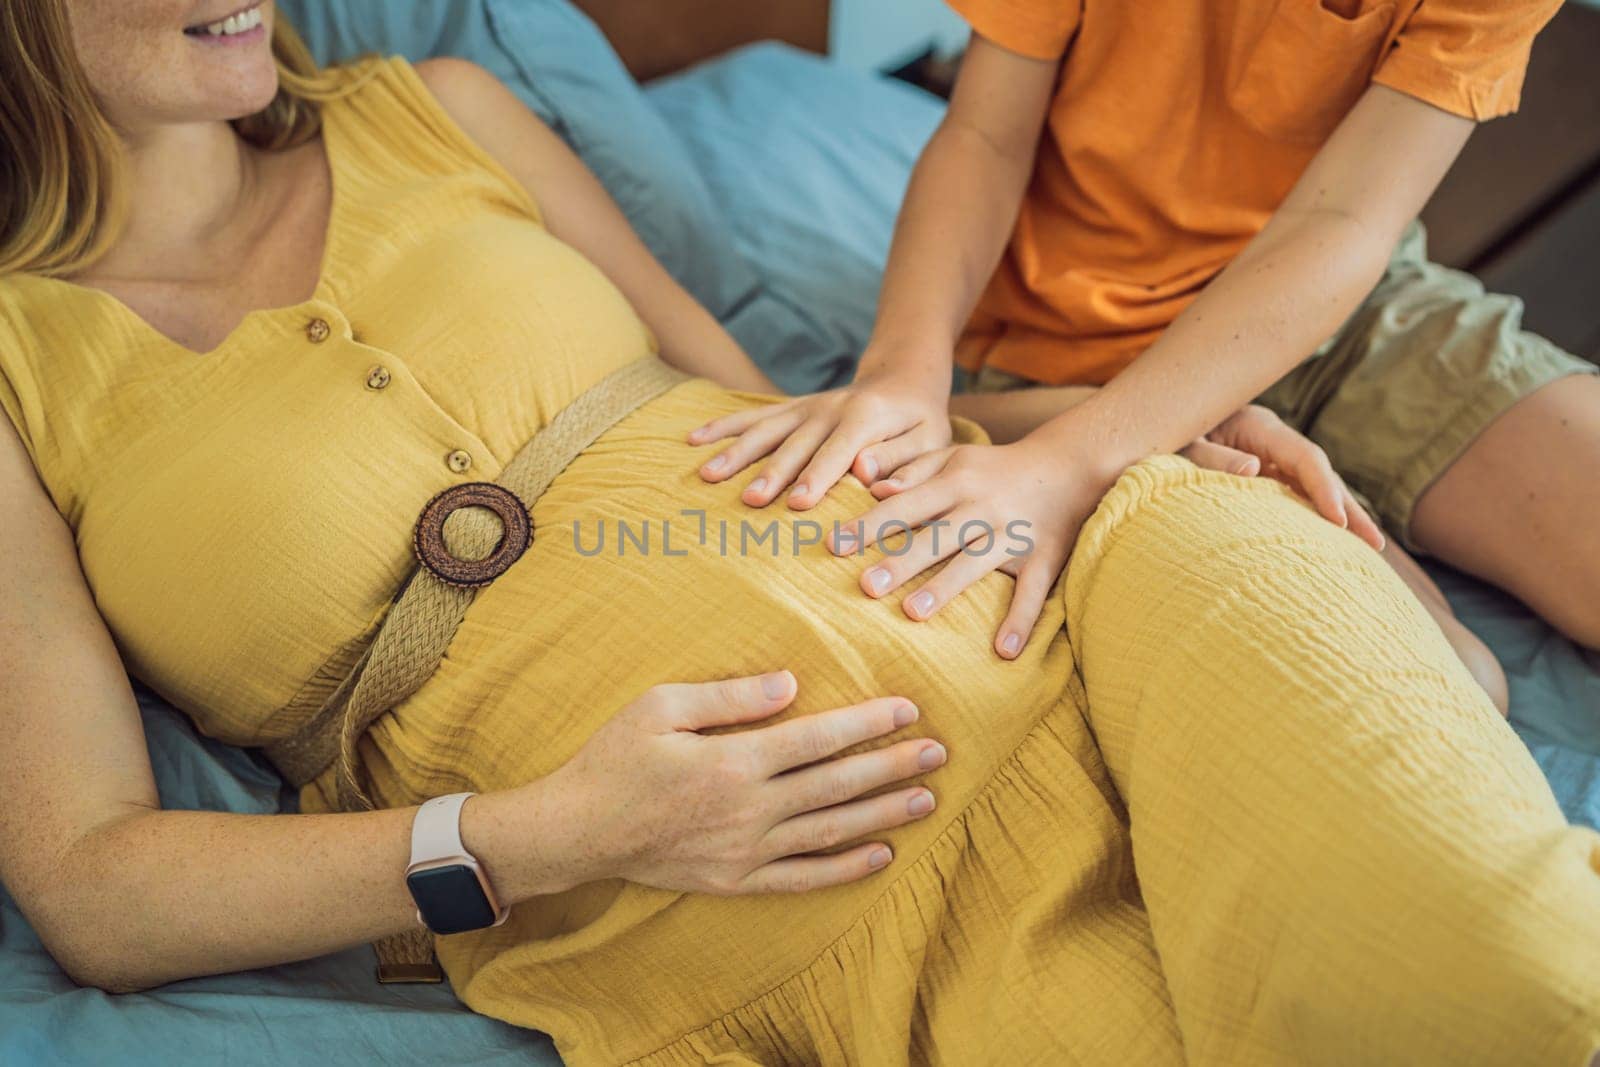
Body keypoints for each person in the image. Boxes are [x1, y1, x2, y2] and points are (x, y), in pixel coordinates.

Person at [1, 3, 1596, 1064]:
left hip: (1099, 584)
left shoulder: (444, 109)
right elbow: (93, 887)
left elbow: (769, 409)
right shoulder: (15, 374)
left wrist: (1113, 430)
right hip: (810, 892)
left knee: (1517, 987)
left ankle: (1407, 649)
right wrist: (549, 834)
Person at [695, 0, 1600, 720]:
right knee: (1461, 688)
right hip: (1066, 352)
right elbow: (984, 134)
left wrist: (1075, 456)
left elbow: (1343, 224)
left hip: (1351, 307)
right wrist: (904, 374)